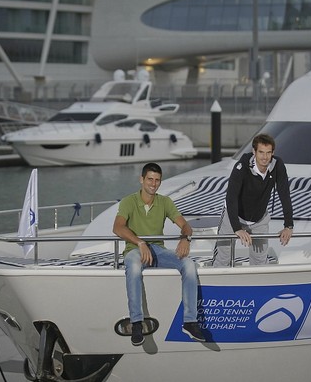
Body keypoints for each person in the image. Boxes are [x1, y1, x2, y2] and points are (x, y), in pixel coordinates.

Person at [113, 162, 205, 346]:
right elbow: (117, 227)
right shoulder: (129, 201)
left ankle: (190, 321)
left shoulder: (165, 202)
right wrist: (140, 243)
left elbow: (185, 225)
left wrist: (185, 238)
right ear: (141, 180)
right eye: (150, 179)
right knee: (134, 267)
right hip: (135, 250)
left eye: (157, 180)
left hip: (158, 251)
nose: (153, 184)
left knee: (188, 264)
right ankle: (137, 322)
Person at [212, 133, 294, 267]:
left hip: (259, 220)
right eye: (261, 152)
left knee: (259, 262)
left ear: (273, 152)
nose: (265, 157)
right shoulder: (241, 167)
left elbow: (284, 194)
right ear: (254, 151)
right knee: (222, 259)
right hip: (233, 216)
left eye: (268, 153)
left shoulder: (277, 165)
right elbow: (231, 197)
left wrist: (288, 226)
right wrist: (237, 229)